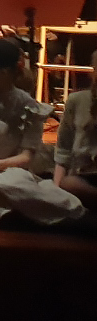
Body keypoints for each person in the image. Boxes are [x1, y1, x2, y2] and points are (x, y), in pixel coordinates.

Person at [0, 37, 85, 226]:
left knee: (27, 190)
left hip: (7, 166)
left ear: (3, 73)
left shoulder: (28, 106)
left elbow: (26, 157)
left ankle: (8, 213)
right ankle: (20, 217)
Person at [54, 51, 97, 209]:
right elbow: (63, 149)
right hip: (84, 176)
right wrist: (56, 190)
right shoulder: (77, 100)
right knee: (70, 184)